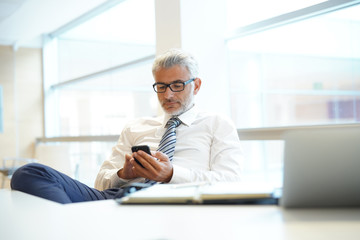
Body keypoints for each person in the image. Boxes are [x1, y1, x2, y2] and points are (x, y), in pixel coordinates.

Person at [11, 49, 244, 204]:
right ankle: (74, 223)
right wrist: (124, 174)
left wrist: (170, 174)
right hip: (117, 197)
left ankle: (75, 226)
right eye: (161, 86)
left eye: (177, 85)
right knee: (29, 173)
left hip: (170, 199)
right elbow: (101, 182)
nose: (168, 94)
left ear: (197, 85)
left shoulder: (217, 124)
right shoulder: (136, 127)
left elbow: (231, 181)